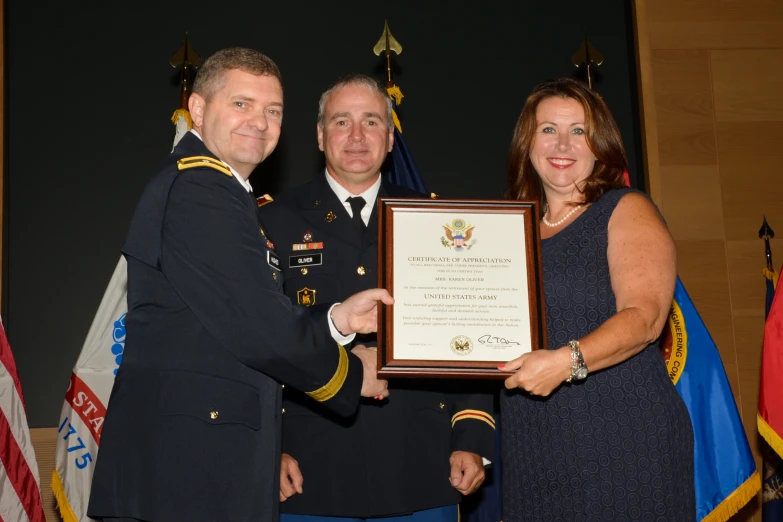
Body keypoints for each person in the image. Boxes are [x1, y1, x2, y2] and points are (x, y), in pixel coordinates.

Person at [87, 49, 393, 522]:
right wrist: (352, 374)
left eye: (272, 110)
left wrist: (338, 319)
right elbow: (259, 326)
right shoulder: (201, 191)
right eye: (241, 104)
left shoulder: (223, 193)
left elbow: (237, 315)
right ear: (199, 110)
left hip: (194, 464)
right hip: (188, 471)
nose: (260, 121)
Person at [258, 74, 495, 522]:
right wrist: (268, 450)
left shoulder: (436, 219)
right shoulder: (273, 221)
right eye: (341, 121)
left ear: (389, 137)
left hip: (423, 465)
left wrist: (471, 436)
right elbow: (256, 341)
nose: (356, 136)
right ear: (320, 135)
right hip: (309, 469)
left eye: (371, 122)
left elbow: (467, 331)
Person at [499, 77, 695, 521]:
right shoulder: (509, 227)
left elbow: (645, 317)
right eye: (547, 129)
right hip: (533, 445)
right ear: (527, 143)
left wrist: (565, 362)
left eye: (579, 130)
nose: (562, 143)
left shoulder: (625, 209)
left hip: (622, 438)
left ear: (599, 144)